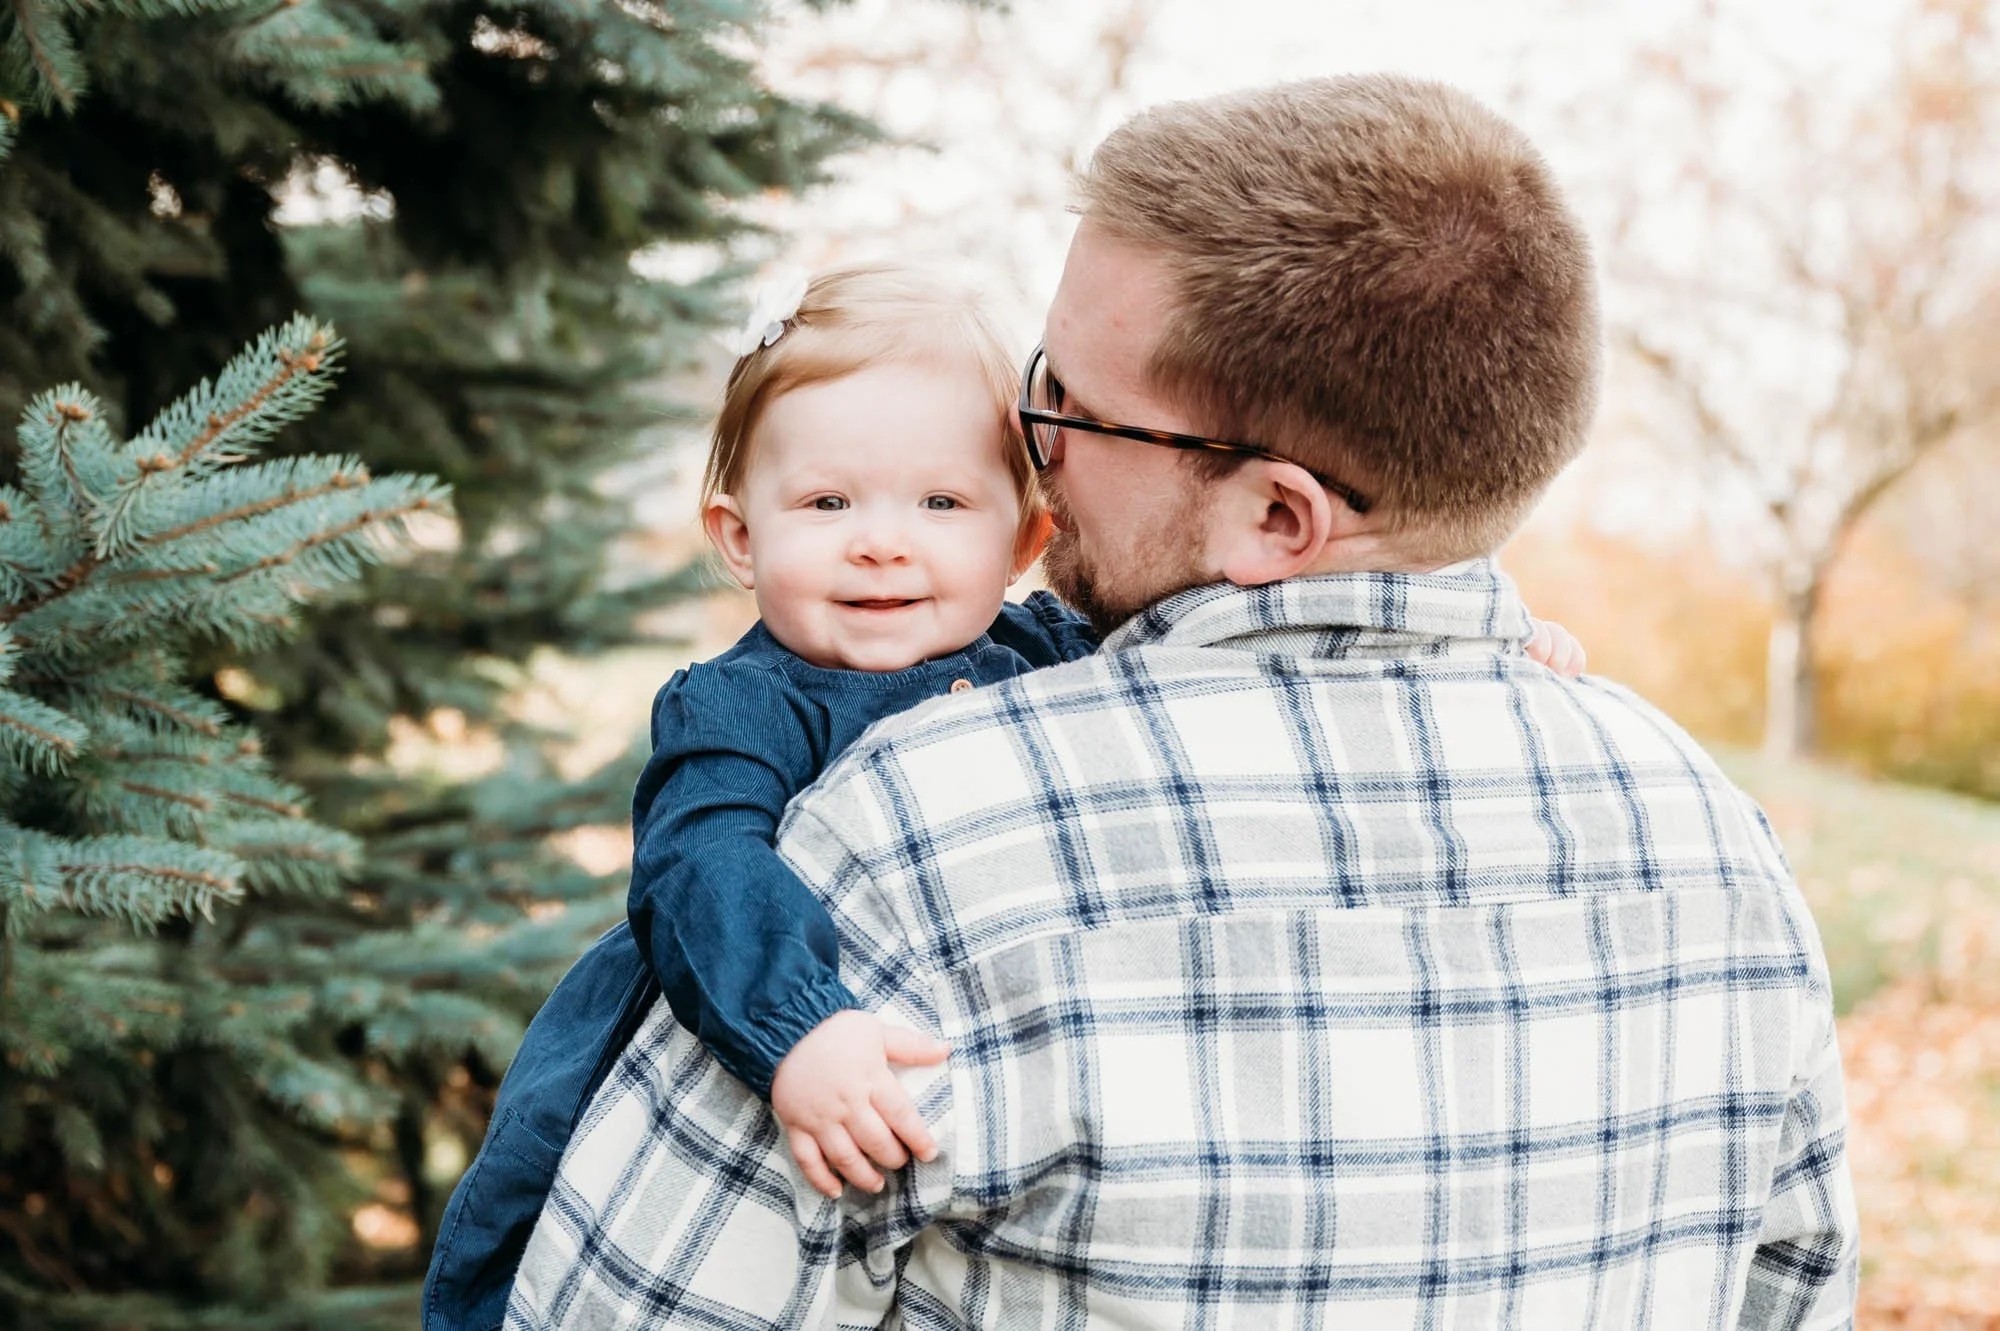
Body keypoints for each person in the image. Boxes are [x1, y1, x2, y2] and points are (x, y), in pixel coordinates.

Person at [507, 75, 1857, 1329]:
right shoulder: (1721, 846)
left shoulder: (918, 829)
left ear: (1276, 514)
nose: (1034, 455)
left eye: (1071, 409)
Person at [422, 259, 1597, 1330]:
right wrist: (795, 1029)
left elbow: (1256, 633)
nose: (882, 544)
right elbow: (697, 869)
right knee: (529, 1216)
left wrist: (1480, 642)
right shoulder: (735, 705)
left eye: (940, 505)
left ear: (1027, 532)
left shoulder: (1047, 650)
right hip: (729, 994)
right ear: (738, 535)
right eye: (828, 504)